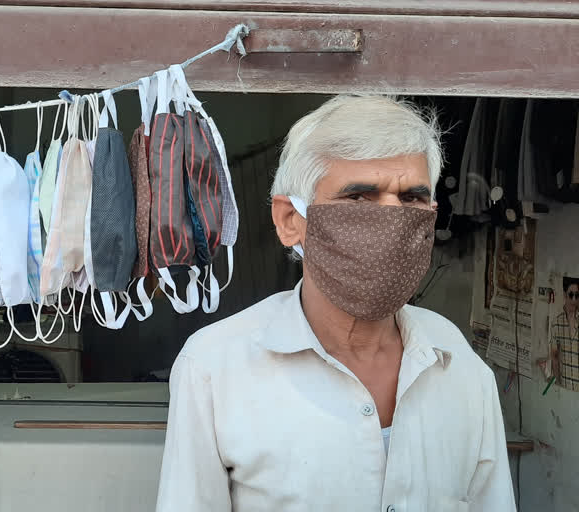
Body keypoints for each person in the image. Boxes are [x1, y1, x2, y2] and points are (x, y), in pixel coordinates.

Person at [156, 95, 516, 511]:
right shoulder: (215, 367)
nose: (392, 220)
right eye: (359, 198)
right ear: (291, 220)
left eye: (411, 199)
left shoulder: (458, 364)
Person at [550, 277, 579, 391]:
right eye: (571, 295)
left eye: (577, 295)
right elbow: (554, 356)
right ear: (564, 294)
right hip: (566, 387)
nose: (574, 299)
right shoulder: (556, 323)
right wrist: (558, 383)